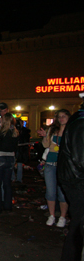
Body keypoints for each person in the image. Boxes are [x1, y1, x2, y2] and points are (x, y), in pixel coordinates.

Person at [58, 95, 84, 260]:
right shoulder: (81, 124)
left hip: (74, 178)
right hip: (77, 181)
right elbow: (81, 158)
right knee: (78, 224)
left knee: (78, 223)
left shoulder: (78, 121)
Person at [37, 109, 70, 228]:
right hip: (50, 164)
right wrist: (45, 136)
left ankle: (62, 217)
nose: (61, 119)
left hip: (63, 165)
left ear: (68, 117)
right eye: (59, 117)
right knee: (50, 192)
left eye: (64, 116)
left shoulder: (70, 131)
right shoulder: (52, 130)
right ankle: (51, 215)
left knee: (62, 193)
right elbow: (45, 145)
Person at [0, 113, 19, 214]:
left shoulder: (1, 132)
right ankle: (8, 205)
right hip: (10, 158)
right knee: (7, 183)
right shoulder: (15, 132)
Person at [12, 119, 31, 183]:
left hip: (21, 150)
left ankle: (18, 179)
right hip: (15, 149)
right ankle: (13, 178)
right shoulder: (14, 130)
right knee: (12, 164)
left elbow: (25, 140)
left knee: (19, 165)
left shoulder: (25, 132)